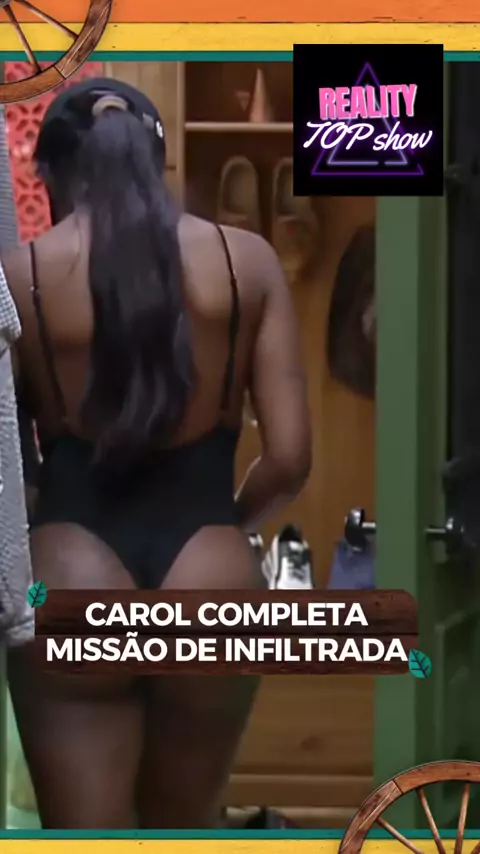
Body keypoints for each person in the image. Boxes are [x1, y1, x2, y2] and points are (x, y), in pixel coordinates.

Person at [2, 77, 311, 829]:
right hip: (209, 572)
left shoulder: (21, 277)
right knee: (185, 831)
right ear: (157, 159)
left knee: (84, 840)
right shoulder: (247, 263)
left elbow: (9, 463)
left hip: (67, 573)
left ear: (53, 177)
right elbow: (290, 458)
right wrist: (224, 523)